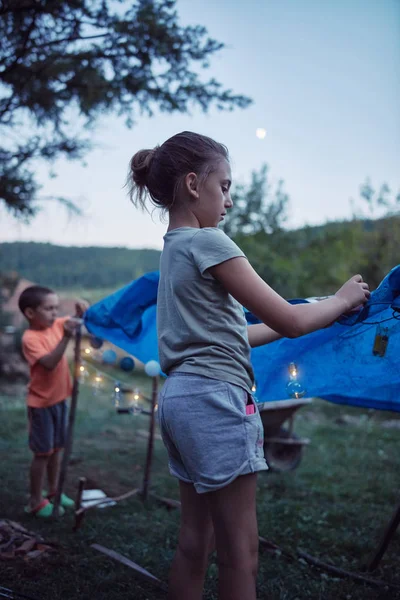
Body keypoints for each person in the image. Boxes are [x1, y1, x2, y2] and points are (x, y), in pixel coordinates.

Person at [127, 131, 370, 600]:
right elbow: (292, 318)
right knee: (241, 553)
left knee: (195, 543)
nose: (230, 201)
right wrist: (340, 301)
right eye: (225, 187)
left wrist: (308, 315)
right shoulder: (210, 243)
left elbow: (248, 331)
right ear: (195, 184)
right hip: (217, 399)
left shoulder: (173, 252)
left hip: (179, 400)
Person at [18, 285, 88, 518]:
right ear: (30, 313)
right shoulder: (30, 338)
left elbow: (75, 321)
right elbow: (48, 363)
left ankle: (54, 491)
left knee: (56, 449)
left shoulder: (56, 324)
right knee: (43, 453)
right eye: (48, 309)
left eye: (56, 308)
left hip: (60, 400)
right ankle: (35, 500)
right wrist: (66, 337)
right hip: (41, 405)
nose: (55, 313)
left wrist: (81, 311)